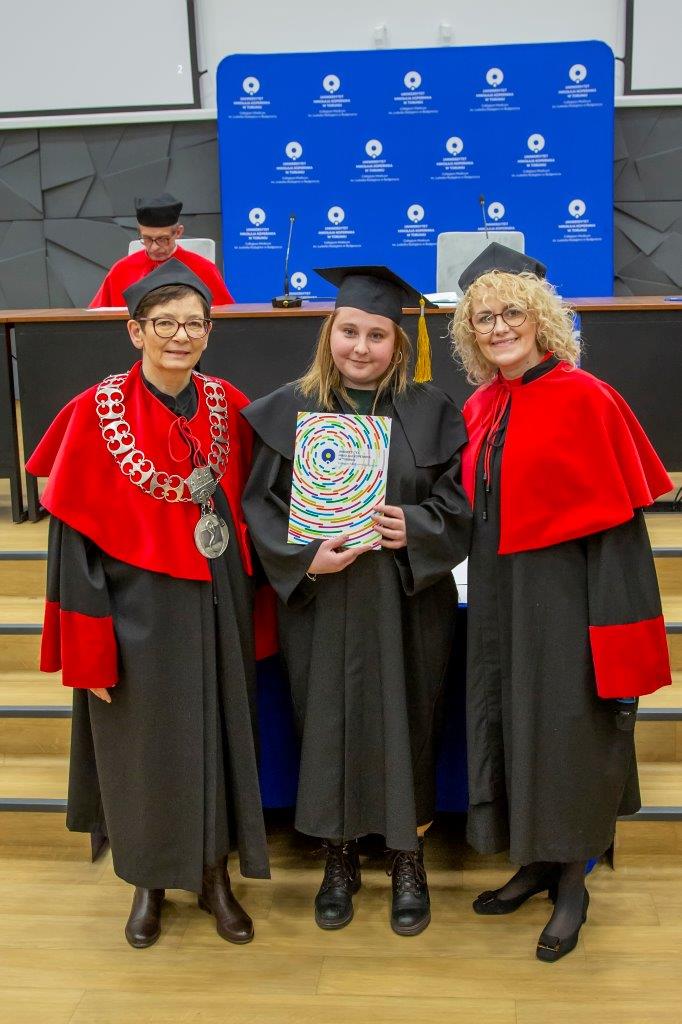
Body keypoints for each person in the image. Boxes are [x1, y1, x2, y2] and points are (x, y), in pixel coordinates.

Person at [27, 259, 271, 948]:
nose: (180, 336)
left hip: (217, 602)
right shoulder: (93, 411)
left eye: (194, 324)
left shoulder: (227, 403)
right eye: (164, 324)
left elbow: (262, 501)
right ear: (135, 331)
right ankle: (147, 882)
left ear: (209, 332)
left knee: (220, 737)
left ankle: (214, 876)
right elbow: (72, 546)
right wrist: (88, 651)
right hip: (135, 613)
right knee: (142, 749)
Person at [450, 242, 672, 962]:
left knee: (569, 732)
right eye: (484, 318)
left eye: (512, 312)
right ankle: (539, 862)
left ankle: (574, 882)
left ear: (542, 317)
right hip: (499, 594)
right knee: (514, 724)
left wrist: (616, 633)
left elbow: (618, 539)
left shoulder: (588, 398)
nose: (499, 327)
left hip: (570, 598)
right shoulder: (482, 404)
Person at [241, 266, 472, 935]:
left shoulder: (432, 409)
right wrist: (301, 557)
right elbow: (259, 505)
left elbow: (460, 504)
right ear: (329, 333)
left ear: (398, 343)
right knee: (327, 721)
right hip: (322, 601)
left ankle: (407, 857)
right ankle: (337, 858)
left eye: (377, 334)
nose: (360, 347)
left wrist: (418, 526)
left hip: (407, 598)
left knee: (411, 720)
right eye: (349, 331)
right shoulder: (289, 407)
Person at [89, 193, 234, 307]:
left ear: (178, 232)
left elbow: (227, 316)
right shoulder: (121, 270)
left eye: (163, 239)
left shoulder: (203, 269)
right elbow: (96, 317)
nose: (154, 247)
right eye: (147, 239)